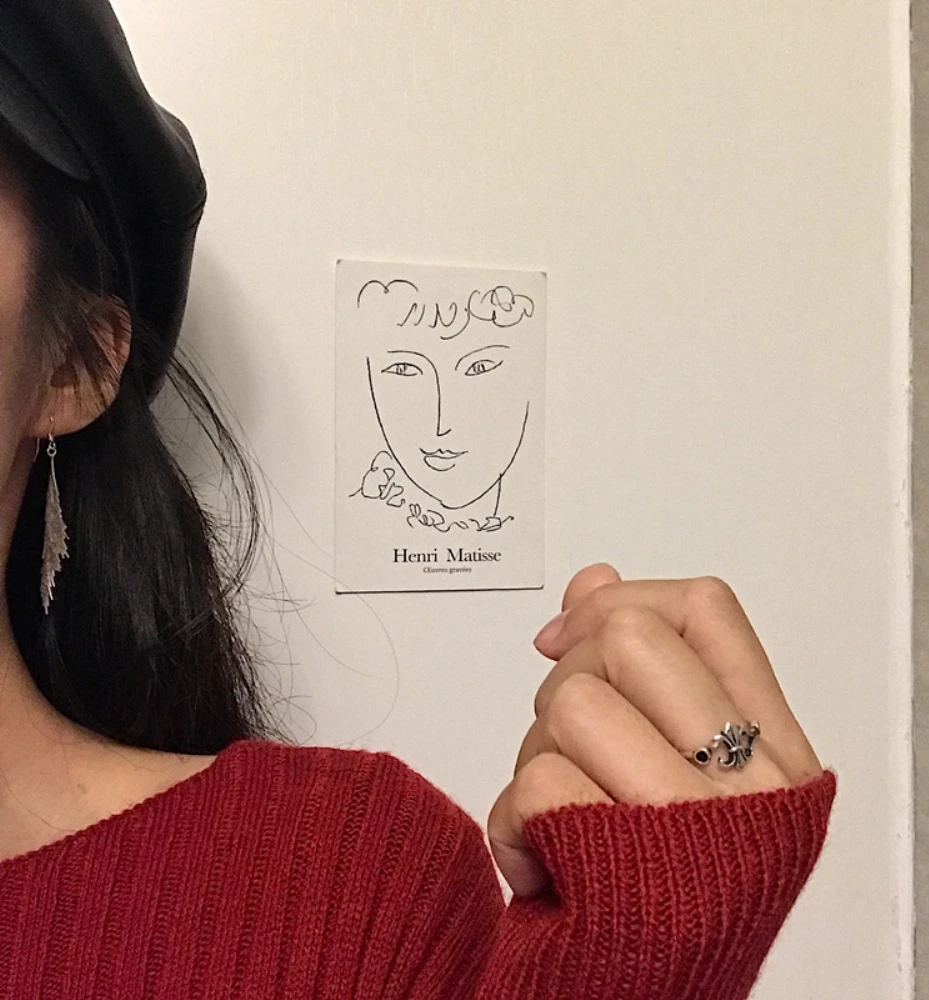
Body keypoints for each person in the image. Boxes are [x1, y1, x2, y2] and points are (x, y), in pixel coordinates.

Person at [0, 3, 836, 998]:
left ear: (73, 366)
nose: (442, 424)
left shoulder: (335, 889)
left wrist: (647, 966)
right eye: (407, 371)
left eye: (478, 371)